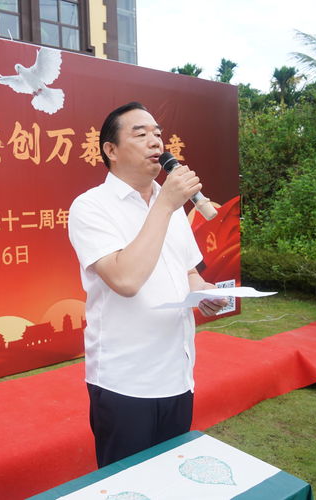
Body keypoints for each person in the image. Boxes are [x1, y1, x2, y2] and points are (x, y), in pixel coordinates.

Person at [68, 102, 227, 468]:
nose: (156, 142)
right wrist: (165, 205)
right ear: (111, 150)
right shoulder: (91, 207)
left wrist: (203, 292)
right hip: (126, 381)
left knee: (170, 475)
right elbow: (125, 280)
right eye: (140, 134)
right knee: (127, 484)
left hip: (178, 373)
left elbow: (189, 270)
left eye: (157, 134)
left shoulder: (169, 204)